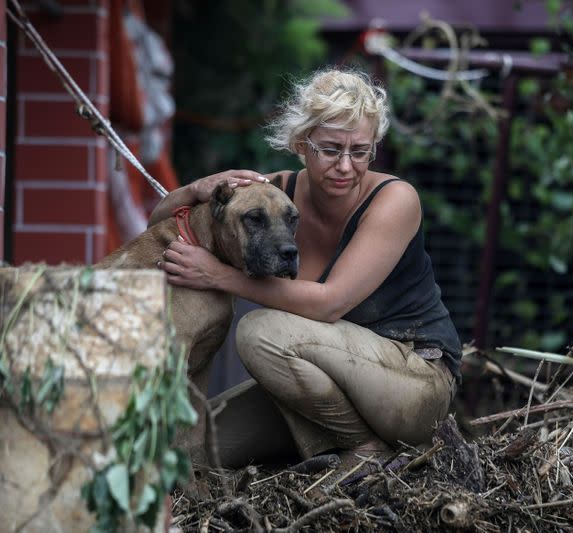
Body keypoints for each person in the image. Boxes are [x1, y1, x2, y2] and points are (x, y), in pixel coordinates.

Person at [151, 68, 462, 471]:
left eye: (360, 151)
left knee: (259, 332)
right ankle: (328, 444)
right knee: (195, 455)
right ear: (303, 143)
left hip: (413, 383)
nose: (346, 166)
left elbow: (329, 303)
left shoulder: (396, 200)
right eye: (331, 149)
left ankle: (365, 448)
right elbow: (158, 225)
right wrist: (196, 190)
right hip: (324, 381)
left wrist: (218, 275)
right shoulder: (272, 196)